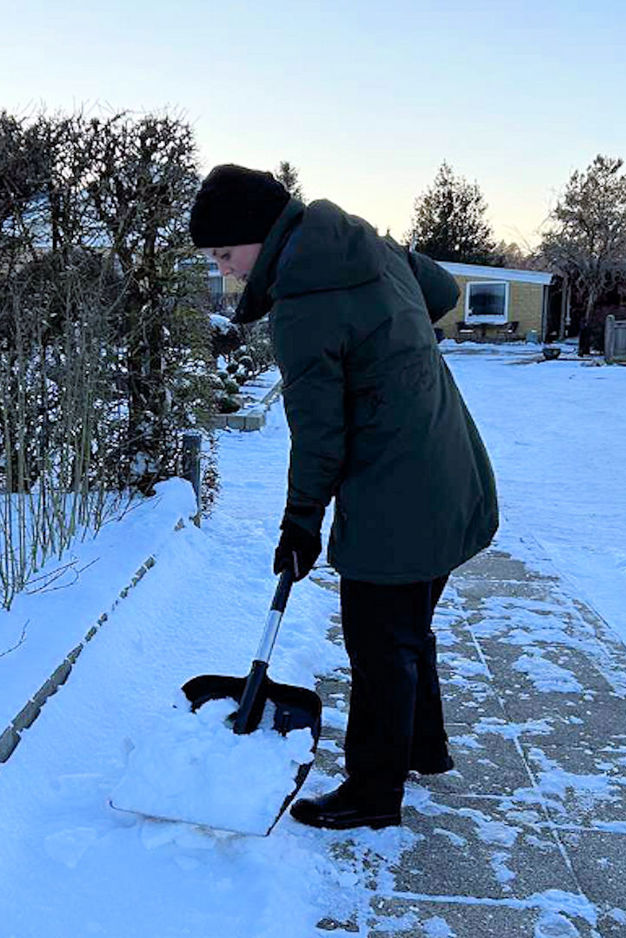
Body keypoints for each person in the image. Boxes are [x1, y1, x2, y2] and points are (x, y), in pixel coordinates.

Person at [189, 164, 499, 830]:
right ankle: (421, 747)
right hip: (450, 461)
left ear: (256, 235)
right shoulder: (363, 243)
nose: (227, 270)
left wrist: (300, 523)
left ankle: (372, 793)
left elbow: (320, 434)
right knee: (405, 623)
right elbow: (441, 290)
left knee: (377, 639)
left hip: (397, 486)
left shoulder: (303, 303)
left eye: (225, 253)